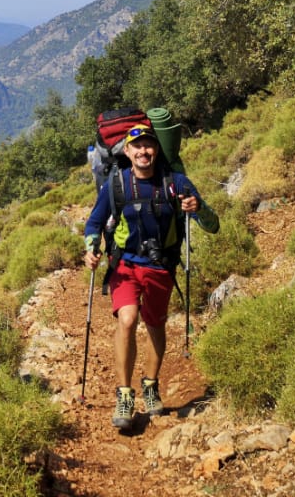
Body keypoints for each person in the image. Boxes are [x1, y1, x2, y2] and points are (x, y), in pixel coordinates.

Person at [83, 123, 218, 429]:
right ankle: (124, 395)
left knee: (155, 323)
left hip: (160, 267)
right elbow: (93, 223)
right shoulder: (115, 185)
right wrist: (91, 247)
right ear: (127, 152)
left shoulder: (177, 183)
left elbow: (212, 224)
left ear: (155, 150)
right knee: (128, 319)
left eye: (149, 145)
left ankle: (151, 385)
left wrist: (199, 208)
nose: (143, 151)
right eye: (137, 146)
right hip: (125, 266)